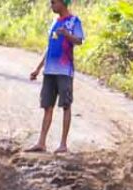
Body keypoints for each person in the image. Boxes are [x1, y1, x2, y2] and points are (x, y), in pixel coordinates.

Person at [26, 0, 84, 154]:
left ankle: (63, 144)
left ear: (62, 3)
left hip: (65, 70)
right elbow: (49, 47)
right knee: (47, 106)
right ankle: (41, 142)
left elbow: (79, 40)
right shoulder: (54, 22)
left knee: (65, 105)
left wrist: (67, 34)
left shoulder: (74, 21)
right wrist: (38, 68)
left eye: (53, 2)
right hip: (49, 70)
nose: (51, 5)